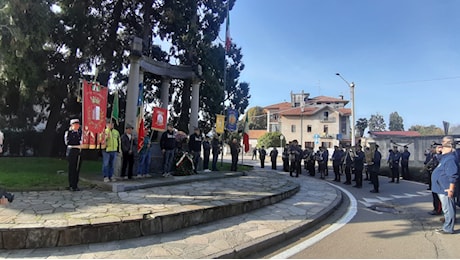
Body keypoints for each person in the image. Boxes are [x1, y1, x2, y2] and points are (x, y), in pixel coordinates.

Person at [431, 136, 458, 234]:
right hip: (441, 187)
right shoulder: (446, 157)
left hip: (445, 188)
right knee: (447, 208)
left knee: (448, 209)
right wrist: (438, 152)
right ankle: (447, 225)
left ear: (450, 147)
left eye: (444, 146)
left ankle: (448, 228)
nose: (441, 148)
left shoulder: (451, 158)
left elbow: (453, 175)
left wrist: (451, 189)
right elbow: (439, 158)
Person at [64, 119, 82, 191]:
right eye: (75, 124)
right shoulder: (68, 133)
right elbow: (68, 142)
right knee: (72, 169)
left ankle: (75, 185)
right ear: (71, 125)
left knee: (77, 169)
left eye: (78, 124)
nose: (77, 126)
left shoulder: (80, 133)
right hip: (71, 151)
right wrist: (77, 145)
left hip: (78, 152)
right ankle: (71, 185)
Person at [426, 143, 443, 215]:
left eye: (434, 148)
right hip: (434, 176)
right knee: (434, 193)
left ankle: (438, 209)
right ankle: (435, 208)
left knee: (437, 195)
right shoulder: (434, 156)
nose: (431, 149)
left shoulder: (440, 157)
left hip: (439, 178)